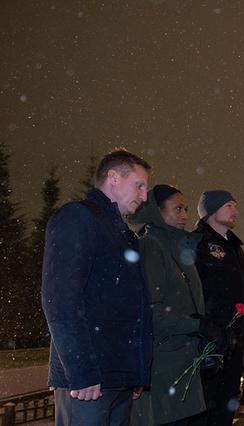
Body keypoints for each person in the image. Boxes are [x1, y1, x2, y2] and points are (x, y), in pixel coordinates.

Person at [41, 149, 153, 426]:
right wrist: (81, 370)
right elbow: (59, 301)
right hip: (88, 383)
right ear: (113, 177)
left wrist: (135, 372)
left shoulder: (124, 234)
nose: (144, 196)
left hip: (118, 378)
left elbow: (133, 307)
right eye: (139, 185)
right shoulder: (78, 217)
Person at [129, 185, 206, 426]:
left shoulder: (179, 248)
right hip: (164, 366)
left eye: (186, 209)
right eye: (178, 208)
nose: (185, 215)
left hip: (183, 362)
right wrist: (197, 324)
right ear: (157, 212)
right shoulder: (152, 246)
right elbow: (153, 311)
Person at [193, 190, 244, 426]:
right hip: (210, 341)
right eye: (229, 206)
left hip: (234, 342)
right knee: (205, 408)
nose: (235, 211)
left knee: (227, 407)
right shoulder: (197, 244)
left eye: (235, 205)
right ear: (211, 211)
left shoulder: (236, 247)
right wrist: (208, 327)